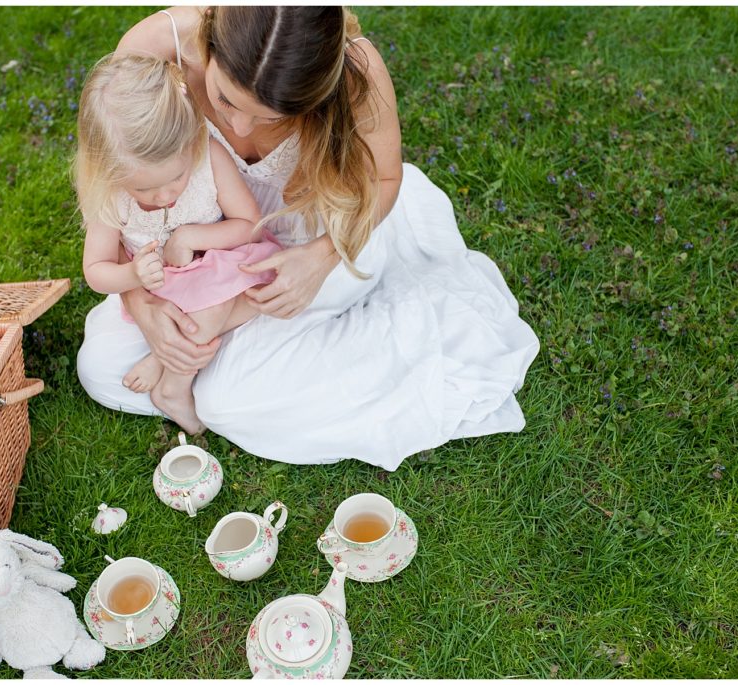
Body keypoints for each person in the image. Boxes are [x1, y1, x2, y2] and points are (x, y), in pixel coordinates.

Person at [76, 6, 540, 471]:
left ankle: (226, 365)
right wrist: (143, 306)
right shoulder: (157, 48)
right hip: (209, 250)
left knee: (224, 400)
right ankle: (212, 359)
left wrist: (319, 260)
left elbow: (382, 182)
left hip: (318, 237)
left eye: (271, 115)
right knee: (100, 367)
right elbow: (113, 180)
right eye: (225, 100)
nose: (238, 129)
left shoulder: (356, 70)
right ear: (210, 46)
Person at [75, 52, 282, 434]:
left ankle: (170, 372)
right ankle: (175, 379)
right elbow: (96, 272)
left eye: (176, 177)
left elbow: (249, 224)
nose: (164, 195)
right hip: (165, 289)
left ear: (192, 144)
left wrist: (193, 236)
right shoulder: (106, 195)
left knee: (263, 288)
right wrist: (133, 274)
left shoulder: (208, 156)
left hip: (220, 262)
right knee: (216, 299)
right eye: (143, 188)